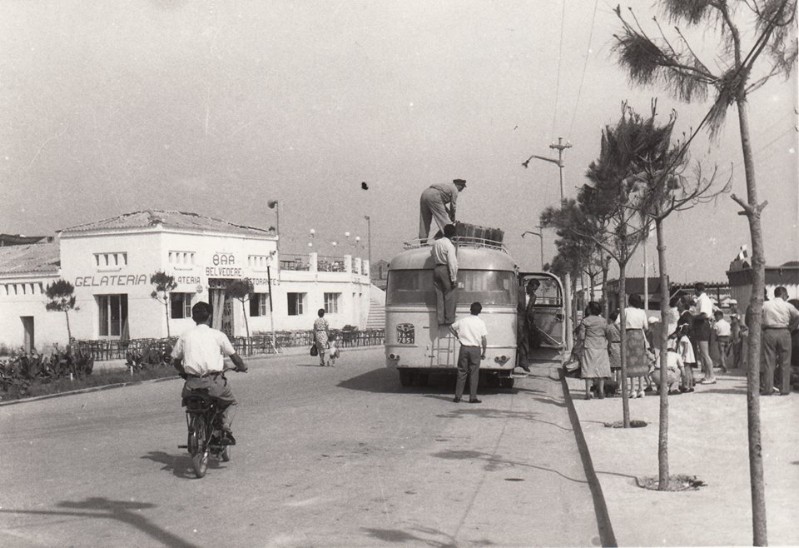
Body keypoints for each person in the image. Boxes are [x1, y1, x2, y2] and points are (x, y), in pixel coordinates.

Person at [171, 302, 248, 445]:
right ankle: (225, 425)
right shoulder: (218, 335)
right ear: (210, 316)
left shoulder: (185, 336)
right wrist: (242, 367)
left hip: (191, 385)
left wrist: (185, 373)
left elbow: (176, 362)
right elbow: (235, 357)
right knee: (231, 402)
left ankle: (196, 427)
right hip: (213, 383)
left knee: (192, 406)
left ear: (193, 318)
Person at [761, 286, 799, 395]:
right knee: (785, 362)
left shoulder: (765, 304)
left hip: (769, 331)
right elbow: (798, 316)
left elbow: (756, 315)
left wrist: (762, 326)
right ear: (783, 294)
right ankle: (784, 389)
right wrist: (792, 327)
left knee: (769, 361)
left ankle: (768, 388)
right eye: (787, 296)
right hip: (784, 331)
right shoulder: (788, 305)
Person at [449, 302, 487, 404]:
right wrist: (484, 351)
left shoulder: (463, 321)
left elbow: (451, 327)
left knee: (461, 371)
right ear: (480, 311)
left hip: (464, 348)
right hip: (475, 349)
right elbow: (483, 338)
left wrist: (458, 336)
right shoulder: (481, 322)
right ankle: (472, 397)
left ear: (470, 309)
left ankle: (457, 396)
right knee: (474, 373)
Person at [617, 293, 650, 398]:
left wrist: (622, 331)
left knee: (631, 363)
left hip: (628, 336)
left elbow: (617, 323)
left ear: (629, 301)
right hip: (639, 336)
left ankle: (632, 390)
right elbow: (646, 327)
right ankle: (641, 389)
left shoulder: (625, 311)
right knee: (640, 362)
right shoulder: (642, 312)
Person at [577, 302, 612, 400]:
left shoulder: (585, 321)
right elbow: (608, 334)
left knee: (588, 369)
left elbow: (581, 336)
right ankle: (601, 392)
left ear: (590, 309)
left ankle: (587, 393)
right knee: (601, 369)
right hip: (601, 346)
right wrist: (608, 344)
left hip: (589, 346)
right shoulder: (603, 321)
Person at [431, 223, 458, 325]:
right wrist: (453, 278)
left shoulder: (436, 243)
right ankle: (449, 319)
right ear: (453, 234)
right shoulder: (450, 246)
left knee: (439, 295)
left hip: (436, 268)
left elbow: (432, 254)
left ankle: (440, 319)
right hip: (445, 269)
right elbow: (452, 263)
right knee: (449, 294)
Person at [692, 283, 716, 384]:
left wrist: (693, 317)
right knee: (703, 353)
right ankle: (707, 375)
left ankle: (711, 376)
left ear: (697, 290)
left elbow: (704, 315)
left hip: (702, 325)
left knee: (705, 353)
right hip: (701, 325)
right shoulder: (702, 299)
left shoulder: (703, 300)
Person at [517, 279, 541, 373]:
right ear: (529, 285)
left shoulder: (533, 297)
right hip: (515, 318)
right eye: (533, 289)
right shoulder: (518, 290)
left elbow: (530, 310)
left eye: (535, 290)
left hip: (525, 321)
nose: (534, 291)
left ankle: (524, 363)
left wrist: (532, 321)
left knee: (525, 341)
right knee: (518, 339)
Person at [677, 325, 696, 392]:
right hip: (688, 357)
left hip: (685, 357)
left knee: (685, 372)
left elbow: (685, 348)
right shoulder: (686, 338)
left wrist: (683, 356)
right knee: (689, 371)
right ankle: (690, 385)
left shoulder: (683, 338)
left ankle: (685, 386)